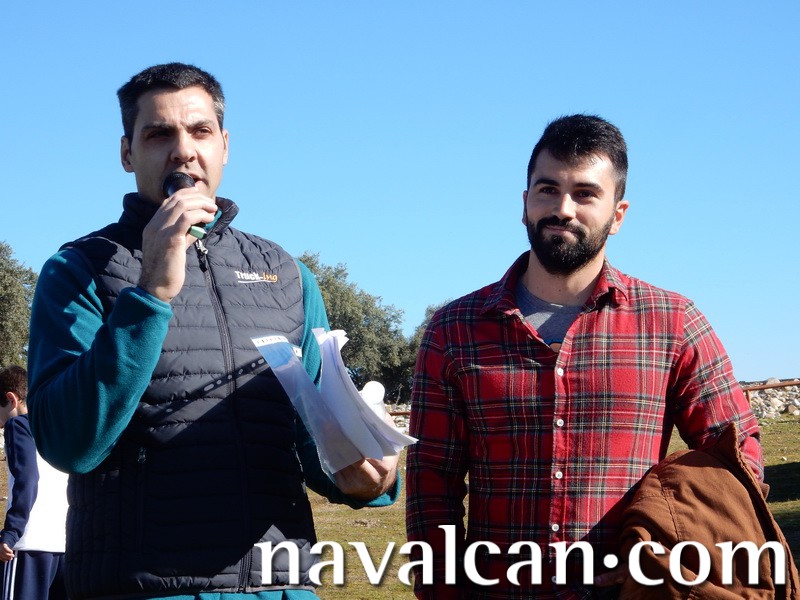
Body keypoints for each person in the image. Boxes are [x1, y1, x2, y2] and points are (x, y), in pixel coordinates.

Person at [26, 62, 398, 600]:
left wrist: (369, 477)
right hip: (143, 589)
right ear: (127, 153)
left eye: (200, 131)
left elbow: (316, 441)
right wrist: (149, 293)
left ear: (224, 146)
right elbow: (69, 445)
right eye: (158, 135)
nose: (183, 151)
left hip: (280, 587)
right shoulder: (77, 270)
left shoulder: (287, 275)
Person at [405, 114, 762, 599]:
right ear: (525, 204)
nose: (563, 208)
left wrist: (665, 551)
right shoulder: (454, 329)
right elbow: (432, 482)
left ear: (618, 214)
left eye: (586, 194)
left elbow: (737, 456)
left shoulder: (673, 322)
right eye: (548, 190)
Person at [0, 365, 69, 600]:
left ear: (12, 399)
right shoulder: (61, 429)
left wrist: (11, 532)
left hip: (29, 543)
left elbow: (27, 478)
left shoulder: (18, 425)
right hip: (66, 545)